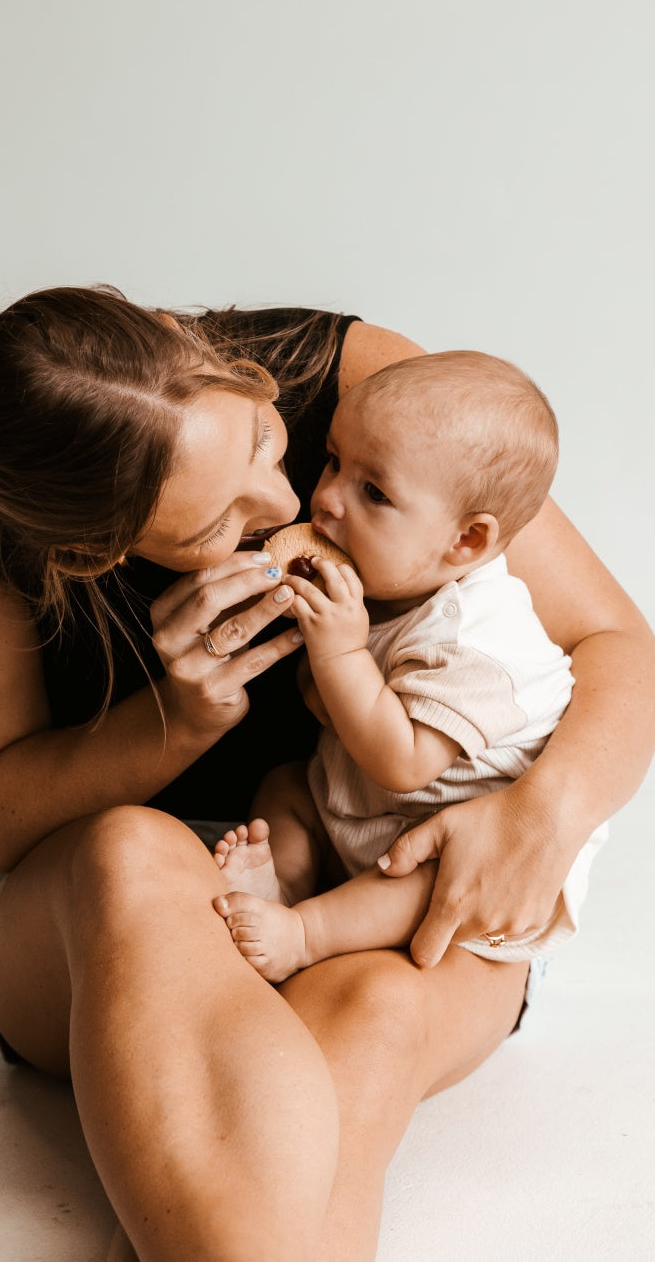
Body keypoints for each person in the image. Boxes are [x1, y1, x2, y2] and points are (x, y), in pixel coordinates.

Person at [0, 286, 655, 1262]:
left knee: (377, 1005)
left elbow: (621, 648)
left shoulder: (362, 386)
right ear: (96, 552)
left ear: (197, 347)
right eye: (217, 523)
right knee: (127, 854)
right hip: (98, 919)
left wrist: (535, 813)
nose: (289, 504)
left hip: (376, 889)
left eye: (266, 440)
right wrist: (175, 720)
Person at [212, 352, 607, 983]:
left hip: (451, 848)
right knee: (286, 788)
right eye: (335, 461)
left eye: (375, 493)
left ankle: (307, 934)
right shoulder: (388, 580)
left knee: (421, 877)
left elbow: (402, 764)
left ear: (467, 541)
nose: (329, 500)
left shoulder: (477, 642)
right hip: (362, 809)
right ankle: (281, 885)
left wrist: (338, 650)